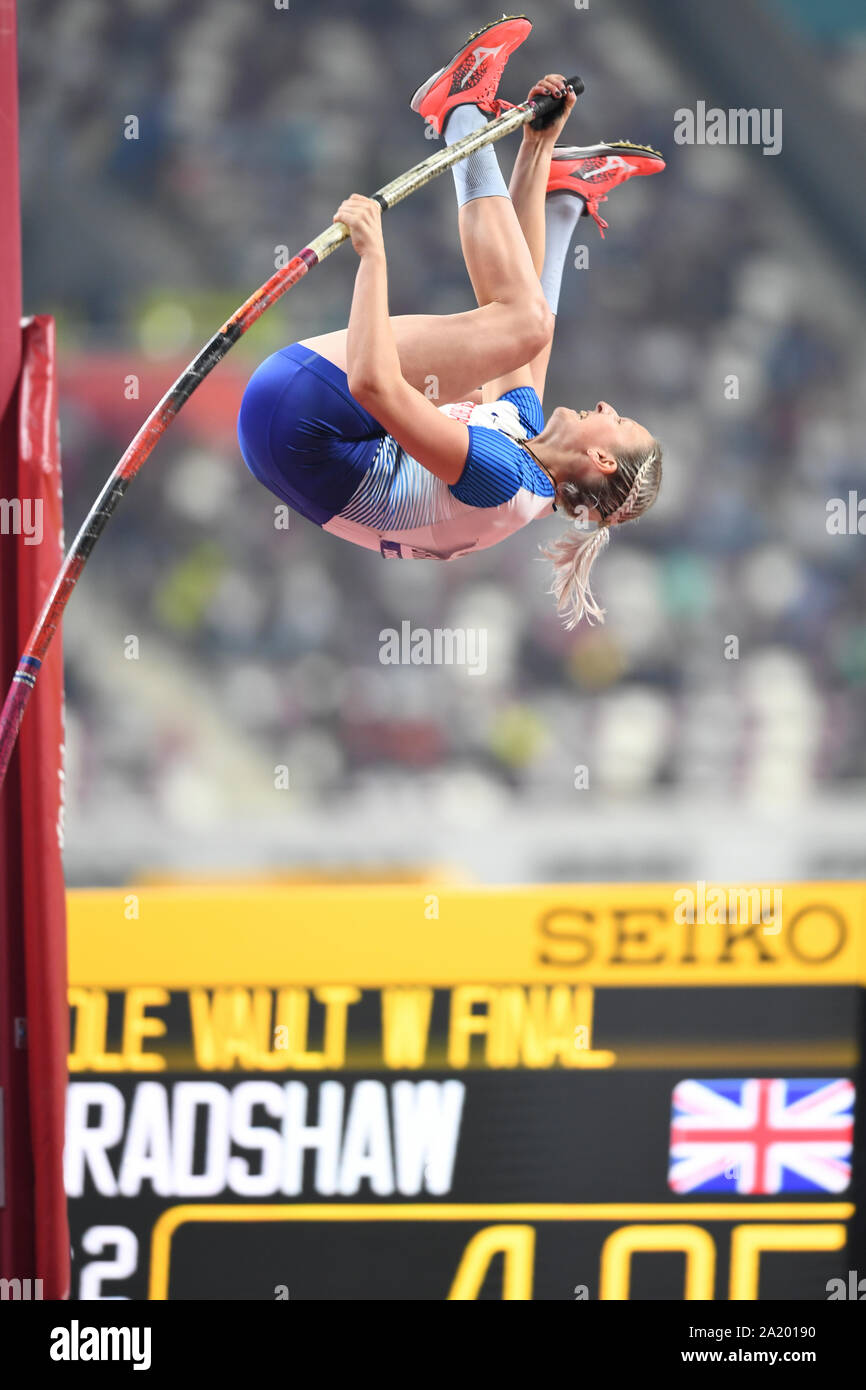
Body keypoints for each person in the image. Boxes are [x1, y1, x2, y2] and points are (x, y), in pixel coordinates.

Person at [238, 16, 665, 626]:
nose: (604, 407)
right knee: (523, 336)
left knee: (523, 326)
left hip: (298, 420)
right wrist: (537, 147)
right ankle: (561, 196)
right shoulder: (527, 450)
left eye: (616, 421)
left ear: (601, 461)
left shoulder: (502, 480)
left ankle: (457, 111)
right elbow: (518, 331)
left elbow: (373, 385)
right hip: (306, 426)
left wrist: (373, 257)